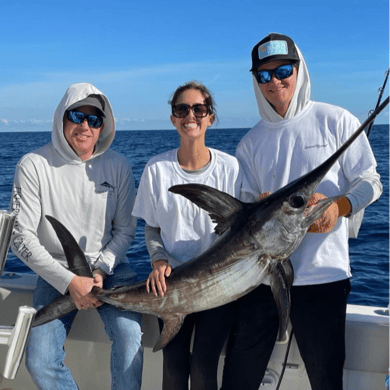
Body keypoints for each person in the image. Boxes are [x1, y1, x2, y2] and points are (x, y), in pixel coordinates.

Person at [220, 33, 383, 390]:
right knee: (236, 380)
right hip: (262, 277)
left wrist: (338, 208)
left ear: (299, 68)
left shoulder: (337, 120)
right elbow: (243, 214)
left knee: (326, 381)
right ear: (255, 81)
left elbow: (371, 182)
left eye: (283, 71)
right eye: (264, 75)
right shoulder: (249, 143)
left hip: (323, 277)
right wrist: (257, 207)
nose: (274, 81)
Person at [10, 83, 143, 390]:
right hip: (55, 273)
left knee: (130, 338)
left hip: (110, 270)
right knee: (40, 360)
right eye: (77, 116)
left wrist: (100, 269)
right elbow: (21, 236)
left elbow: (125, 230)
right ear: (62, 118)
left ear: (103, 126)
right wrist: (70, 281)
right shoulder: (33, 165)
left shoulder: (119, 166)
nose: (85, 126)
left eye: (94, 119)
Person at [132, 81, 242, 390]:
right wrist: (158, 260)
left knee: (204, 367)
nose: (189, 115)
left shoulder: (231, 168)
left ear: (210, 117)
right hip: (169, 285)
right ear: (172, 118)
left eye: (198, 109)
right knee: (175, 367)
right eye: (182, 109)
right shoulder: (156, 169)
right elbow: (152, 227)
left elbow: (240, 229)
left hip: (217, 286)